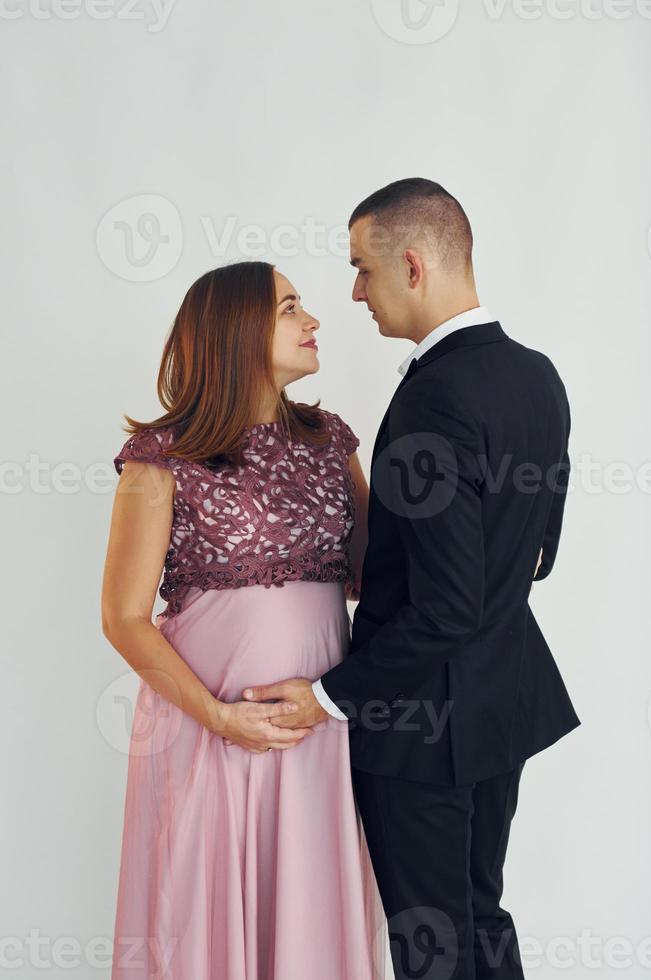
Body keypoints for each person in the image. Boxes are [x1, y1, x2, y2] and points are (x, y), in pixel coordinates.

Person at [242, 178, 582, 980]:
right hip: (505, 701)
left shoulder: (433, 399)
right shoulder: (536, 374)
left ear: (415, 266)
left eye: (362, 268)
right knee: (479, 915)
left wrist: (330, 695)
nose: (355, 292)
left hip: (422, 727)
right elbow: (541, 548)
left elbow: (445, 605)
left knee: (433, 945)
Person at [101, 261, 387, 980]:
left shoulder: (330, 441)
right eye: (291, 308)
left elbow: (380, 573)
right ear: (235, 332)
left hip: (321, 722)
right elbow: (124, 617)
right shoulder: (161, 457)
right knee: (205, 914)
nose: (313, 321)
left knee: (312, 911)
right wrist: (220, 718)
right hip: (211, 725)